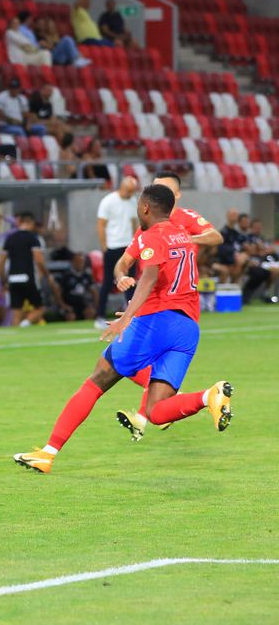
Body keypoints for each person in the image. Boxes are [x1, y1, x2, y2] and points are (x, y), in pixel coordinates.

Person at [13, 184, 231, 474]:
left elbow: (150, 276)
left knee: (97, 379)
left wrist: (127, 317)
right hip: (188, 327)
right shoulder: (182, 234)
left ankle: (48, 453)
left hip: (156, 321)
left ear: (145, 208)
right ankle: (209, 396)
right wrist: (120, 277)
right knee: (155, 411)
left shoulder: (153, 235)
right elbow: (133, 265)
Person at [109, 172, 222, 440]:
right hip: (150, 302)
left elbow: (215, 236)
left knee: (120, 362)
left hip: (173, 305)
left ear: (176, 196)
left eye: (164, 188)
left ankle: (147, 415)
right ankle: (147, 415)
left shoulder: (186, 219)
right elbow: (126, 259)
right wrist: (121, 275)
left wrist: (188, 239)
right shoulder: (147, 226)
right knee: (138, 363)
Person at [0, 212, 60, 326]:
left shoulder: (10, 239)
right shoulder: (33, 238)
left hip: (12, 278)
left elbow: (1, 263)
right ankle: (25, 323)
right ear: (31, 223)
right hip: (28, 277)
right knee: (40, 308)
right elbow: (39, 260)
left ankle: (15, 337)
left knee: (16, 312)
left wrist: (3, 280)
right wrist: (47, 275)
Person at [95, 175, 139, 328]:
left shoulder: (133, 202)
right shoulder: (108, 201)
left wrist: (136, 242)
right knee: (108, 282)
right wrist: (104, 245)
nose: (130, 194)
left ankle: (131, 315)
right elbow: (101, 224)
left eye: (132, 191)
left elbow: (134, 223)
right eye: (128, 191)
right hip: (112, 246)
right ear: (121, 187)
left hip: (128, 247)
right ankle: (99, 316)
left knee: (130, 281)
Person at [57, 252, 97, 322]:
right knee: (71, 316)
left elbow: (94, 292)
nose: (80, 264)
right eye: (77, 261)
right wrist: (63, 305)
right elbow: (58, 292)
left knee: (90, 312)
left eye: (82, 262)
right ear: (73, 262)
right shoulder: (66, 276)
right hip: (69, 305)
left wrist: (95, 306)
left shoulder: (87, 276)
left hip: (83, 304)